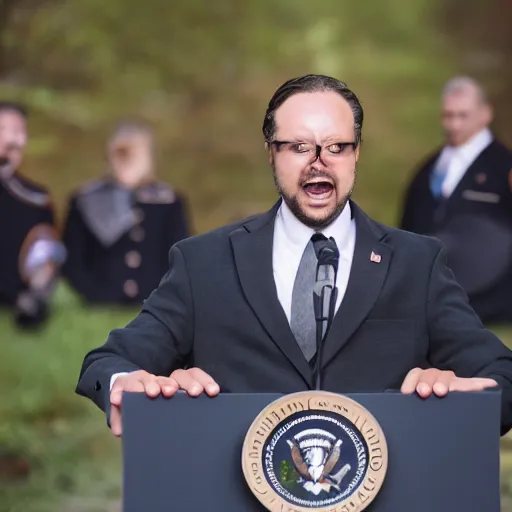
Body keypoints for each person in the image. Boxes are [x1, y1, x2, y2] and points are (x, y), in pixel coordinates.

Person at [75, 74, 512, 437]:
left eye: (336, 146)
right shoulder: (202, 263)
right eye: (299, 147)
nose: (318, 162)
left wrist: (457, 391)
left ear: (356, 153)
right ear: (271, 152)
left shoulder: (418, 264)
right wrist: (128, 384)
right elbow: (106, 363)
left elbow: (502, 378)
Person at [399, 77, 512, 324]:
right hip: (434, 295)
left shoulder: (504, 168)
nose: (454, 124)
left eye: (463, 116)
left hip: (492, 301)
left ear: (485, 114)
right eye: (448, 116)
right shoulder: (427, 170)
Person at [61, 120, 190, 305]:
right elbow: (73, 259)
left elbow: (179, 257)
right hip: (100, 300)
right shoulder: (86, 200)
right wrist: (93, 294)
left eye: (135, 153)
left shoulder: (168, 202)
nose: (127, 160)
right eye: (121, 153)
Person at [0, 101, 66, 328]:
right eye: (3, 130)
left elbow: (47, 254)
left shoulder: (36, 198)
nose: (12, 140)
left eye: (18, 131)